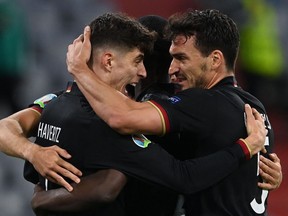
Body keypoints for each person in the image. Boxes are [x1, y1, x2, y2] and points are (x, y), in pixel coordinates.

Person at [23, 12, 266, 216]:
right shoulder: (252, 105)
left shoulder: (58, 103)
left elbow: (109, 177)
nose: (173, 69)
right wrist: (245, 152)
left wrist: (39, 195)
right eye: (136, 59)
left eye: (180, 58)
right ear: (110, 61)